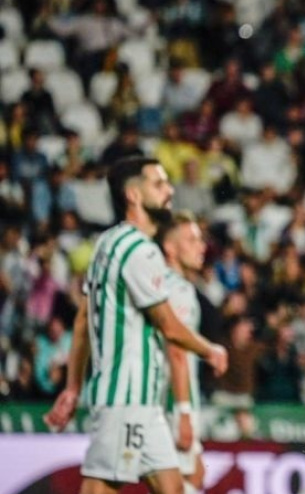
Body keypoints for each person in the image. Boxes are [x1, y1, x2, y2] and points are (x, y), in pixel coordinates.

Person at [43, 156, 228, 494]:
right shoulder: (139, 251)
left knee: (175, 489)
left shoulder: (106, 243)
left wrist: (72, 388)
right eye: (159, 184)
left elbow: (84, 319)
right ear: (134, 195)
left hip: (143, 402)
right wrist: (210, 349)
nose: (170, 190)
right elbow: (169, 327)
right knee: (101, 487)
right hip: (125, 397)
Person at [156, 211, 209, 494]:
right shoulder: (176, 290)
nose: (201, 246)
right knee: (180, 484)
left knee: (194, 475)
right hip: (174, 402)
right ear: (170, 248)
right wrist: (184, 413)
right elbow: (176, 352)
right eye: (191, 239)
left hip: (169, 400)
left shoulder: (164, 284)